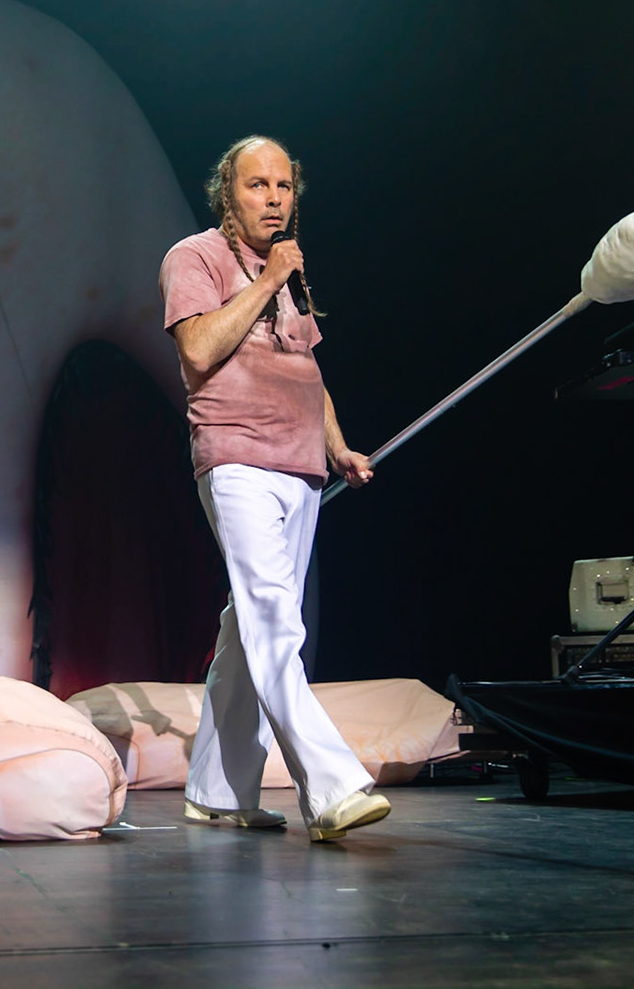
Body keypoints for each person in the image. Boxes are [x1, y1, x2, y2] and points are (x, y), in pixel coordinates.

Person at [158, 135, 388, 842]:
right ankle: (333, 786)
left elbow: (305, 375)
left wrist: (338, 445)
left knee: (247, 627)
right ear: (227, 191)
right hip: (236, 457)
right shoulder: (194, 257)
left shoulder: (289, 275)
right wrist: (265, 281)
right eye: (257, 185)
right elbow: (197, 350)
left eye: (283, 187)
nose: (273, 198)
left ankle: (217, 792)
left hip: (301, 468)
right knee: (273, 620)